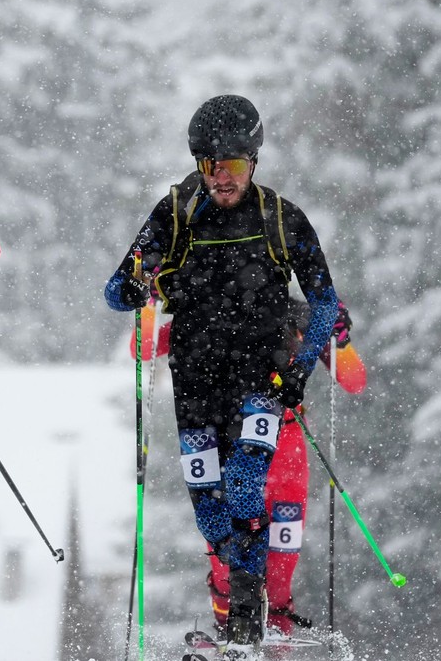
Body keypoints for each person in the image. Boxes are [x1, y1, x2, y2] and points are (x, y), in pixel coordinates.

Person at [104, 94, 339, 647]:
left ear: (253, 161)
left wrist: (300, 371)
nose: (220, 177)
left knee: (245, 483)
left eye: (231, 164)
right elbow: (115, 290)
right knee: (209, 509)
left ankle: (248, 619)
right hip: (196, 379)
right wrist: (134, 286)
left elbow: (326, 303)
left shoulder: (280, 217)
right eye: (209, 164)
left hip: (263, 377)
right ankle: (237, 607)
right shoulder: (176, 213)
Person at [205, 300, 365, 640]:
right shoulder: (213, 301)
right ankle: (226, 635)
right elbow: (142, 348)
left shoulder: (297, 314)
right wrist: (151, 301)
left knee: (281, 569)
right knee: (227, 564)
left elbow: (354, 381)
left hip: (286, 454)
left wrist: (341, 340)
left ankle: (278, 642)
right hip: (231, 447)